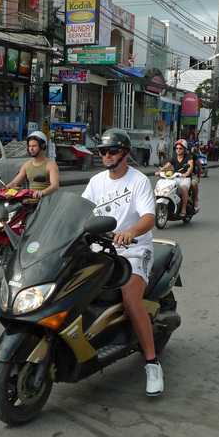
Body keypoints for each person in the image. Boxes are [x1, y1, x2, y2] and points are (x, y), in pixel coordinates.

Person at [81, 128, 163, 396]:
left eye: (111, 151)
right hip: (100, 248)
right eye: (102, 151)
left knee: (130, 301)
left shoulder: (138, 181)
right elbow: (79, 212)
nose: (106, 155)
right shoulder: (95, 182)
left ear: (125, 153)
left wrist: (131, 232)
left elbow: (149, 217)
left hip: (134, 249)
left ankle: (152, 363)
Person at [1, 130, 59, 198]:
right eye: (29, 146)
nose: (31, 149)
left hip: (45, 204)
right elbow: (15, 183)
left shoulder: (51, 165)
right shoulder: (27, 165)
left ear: (42, 146)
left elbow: (55, 185)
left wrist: (43, 192)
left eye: (34, 146)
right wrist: (2, 189)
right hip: (30, 201)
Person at [156, 139, 194, 217]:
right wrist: (160, 171)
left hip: (185, 179)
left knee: (184, 188)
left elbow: (190, 166)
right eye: (177, 148)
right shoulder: (174, 158)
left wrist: (186, 173)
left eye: (180, 148)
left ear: (184, 149)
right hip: (175, 177)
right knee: (167, 185)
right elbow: (167, 166)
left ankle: (183, 209)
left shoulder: (189, 157)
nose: (178, 150)